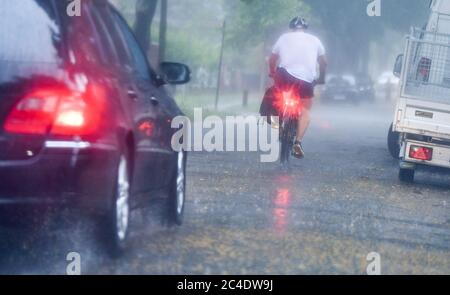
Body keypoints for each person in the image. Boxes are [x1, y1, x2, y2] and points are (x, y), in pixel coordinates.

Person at [269, 16, 327, 159]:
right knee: (305, 110)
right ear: (305, 28)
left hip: (284, 77)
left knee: (276, 100)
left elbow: (272, 59)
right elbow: (324, 62)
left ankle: (278, 123)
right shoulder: (315, 40)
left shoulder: (283, 38)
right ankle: (298, 142)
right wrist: (321, 78)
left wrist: (271, 71)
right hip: (306, 79)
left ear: (292, 28)